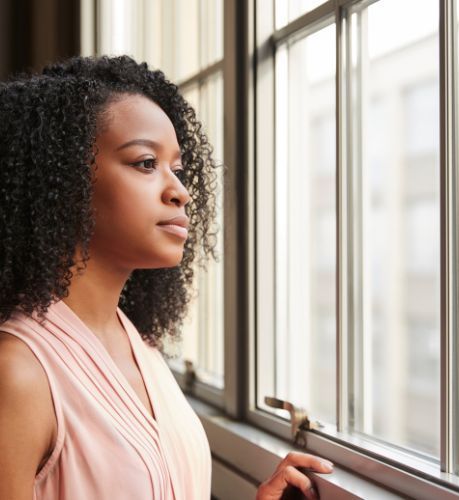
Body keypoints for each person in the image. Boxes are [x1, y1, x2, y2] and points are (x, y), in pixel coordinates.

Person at [0, 55, 333, 499]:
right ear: (62, 179)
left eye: (176, 168)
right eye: (144, 163)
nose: (180, 190)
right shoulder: (17, 374)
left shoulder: (140, 349)